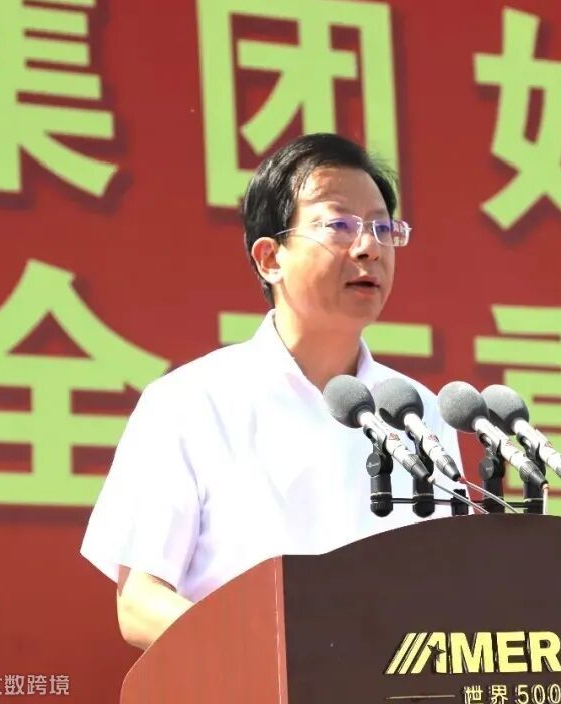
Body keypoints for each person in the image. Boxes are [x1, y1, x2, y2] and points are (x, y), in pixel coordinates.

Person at [80, 133, 462, 650]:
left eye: (382, 227)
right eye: (339, 225)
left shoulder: (416, 412)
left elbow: (449, 588)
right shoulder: (190, 401)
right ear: (270, 258)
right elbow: (140, 602)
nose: (369, 247)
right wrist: (272, 651)